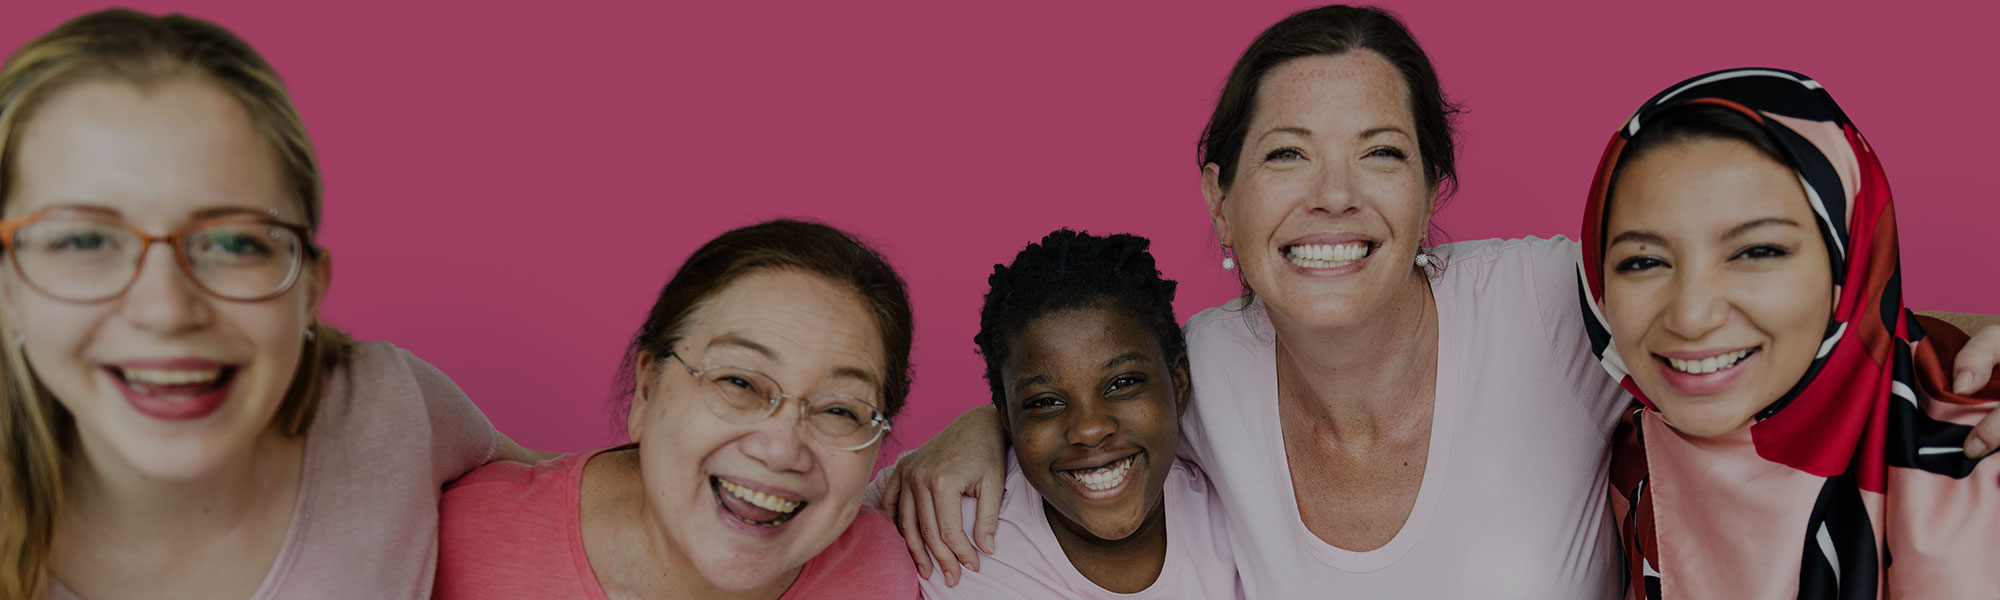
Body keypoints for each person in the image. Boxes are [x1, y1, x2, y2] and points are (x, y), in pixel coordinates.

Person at [877, 6, 2000, 598]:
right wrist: (980, 425)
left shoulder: (1550, 301)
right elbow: (1085, 400)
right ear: (1217, 202)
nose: (1331, 197)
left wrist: (1974, 358)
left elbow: (1782, 315)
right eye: (1282, 157)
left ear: (1426, 194)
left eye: (1378, 152)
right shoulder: (1192, 369)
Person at [0, 9, 542, 599]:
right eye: (85, 240)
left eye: (234, 242)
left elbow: (578, 501)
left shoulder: (389, 407)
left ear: (309, 287)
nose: (165, 310)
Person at [1582, 68, 2000, 599]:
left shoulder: (1979, 466)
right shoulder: (1626, 467)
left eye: (1757, 252)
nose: (1690, 316)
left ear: (1850, 265)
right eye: (1643, 261)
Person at [436, 219, 920, 599]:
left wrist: (981, 429)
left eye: (840, 411)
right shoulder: (454, 544)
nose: (780, 449)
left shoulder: (887, 571)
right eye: (739, 382)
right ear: (647, 390)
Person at [886, 229, 1239, 598]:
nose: (1089, 428)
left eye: (1122, 383)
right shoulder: (951, 537)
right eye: (1044, 402)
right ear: (1006, 416)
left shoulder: (1236, 508)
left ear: (1178, 382)